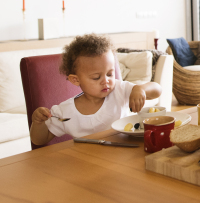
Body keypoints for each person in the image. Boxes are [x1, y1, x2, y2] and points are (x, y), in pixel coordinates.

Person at [29, 34, 162, 146]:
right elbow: (39, 140)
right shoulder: (65, 112)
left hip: (124, 155)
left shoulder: (120, 90)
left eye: (110, 74)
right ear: (75, 80)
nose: (106, 81)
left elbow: (157, 89)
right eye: (96, 77)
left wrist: (140, 89)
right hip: (87, 164)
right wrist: (38, 123)